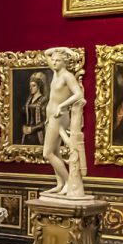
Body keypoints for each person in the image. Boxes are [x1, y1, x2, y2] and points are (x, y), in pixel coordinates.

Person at [42, 47, 86, 198]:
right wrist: (64, 49)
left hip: (59, 116)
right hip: (51, 116)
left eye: (58, 60)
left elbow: (79, 94)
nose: (54, 62)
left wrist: (62, 105)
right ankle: (60, 183)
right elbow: (46, 53)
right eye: (53, 60)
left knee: (47, 153)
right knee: (55, 152)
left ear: (64, 62)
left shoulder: (67, 76)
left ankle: (68, 182)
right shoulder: (55, 72)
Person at [21, 71, 48, 146]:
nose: (31, 88)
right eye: (30, 86)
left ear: (39, 86)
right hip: (26, 135)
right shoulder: (28, 100)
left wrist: (32, 129)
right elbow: (24, 117)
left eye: (34, 86)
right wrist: (24, 127)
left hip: (38, 136)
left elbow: (46, 121)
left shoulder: (44, 100)